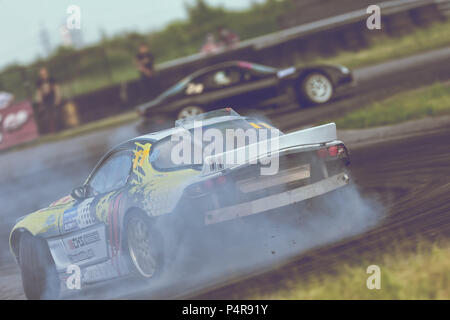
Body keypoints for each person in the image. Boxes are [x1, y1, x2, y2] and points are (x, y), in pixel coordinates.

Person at [34, 67, 61, 134]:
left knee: (56, 114)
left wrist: (57, 98)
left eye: (44, 74)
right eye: (42, 74)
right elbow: (39, 92)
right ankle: (50, 131)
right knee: (46, 116)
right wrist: (39, 102)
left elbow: (56, 88)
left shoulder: (51, 79)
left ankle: (58, 129)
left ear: (46, 73)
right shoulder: (39, 82)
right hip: (45, 100)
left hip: (52, 98)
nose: (43, 75)